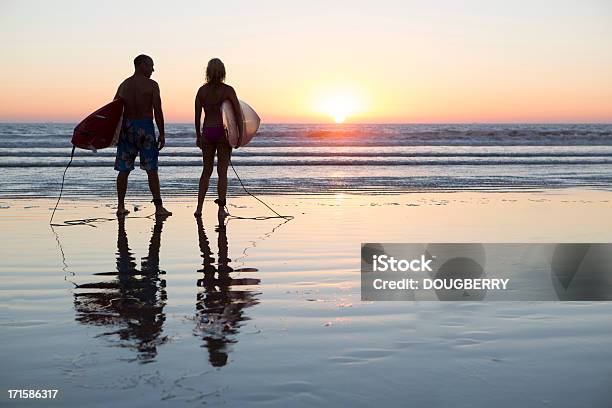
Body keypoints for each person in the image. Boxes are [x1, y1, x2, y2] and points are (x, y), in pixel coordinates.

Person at [113, 54, 172, 217]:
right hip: (145, 129)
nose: (153, 69)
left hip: (128, 129)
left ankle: (120, 206)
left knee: (124, 170)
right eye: (150, 65)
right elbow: (158, 110)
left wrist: (115, 133)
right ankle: (159, 208)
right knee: (151, 169)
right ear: (140, 65)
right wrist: (162, 133)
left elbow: (114, 110)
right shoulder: (152, 85)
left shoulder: (124, 85)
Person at [194, 58, 244, 218]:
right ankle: (221, 209)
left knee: (206, 171)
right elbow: (237, 114)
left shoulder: (202, 91)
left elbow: (197, 116)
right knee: (222, 172)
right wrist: (240, 135)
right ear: (223, 72)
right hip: (223, 134)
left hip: (208, 131)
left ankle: (199, 208)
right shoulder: (228, 90)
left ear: (208, 72)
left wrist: (198, 135)